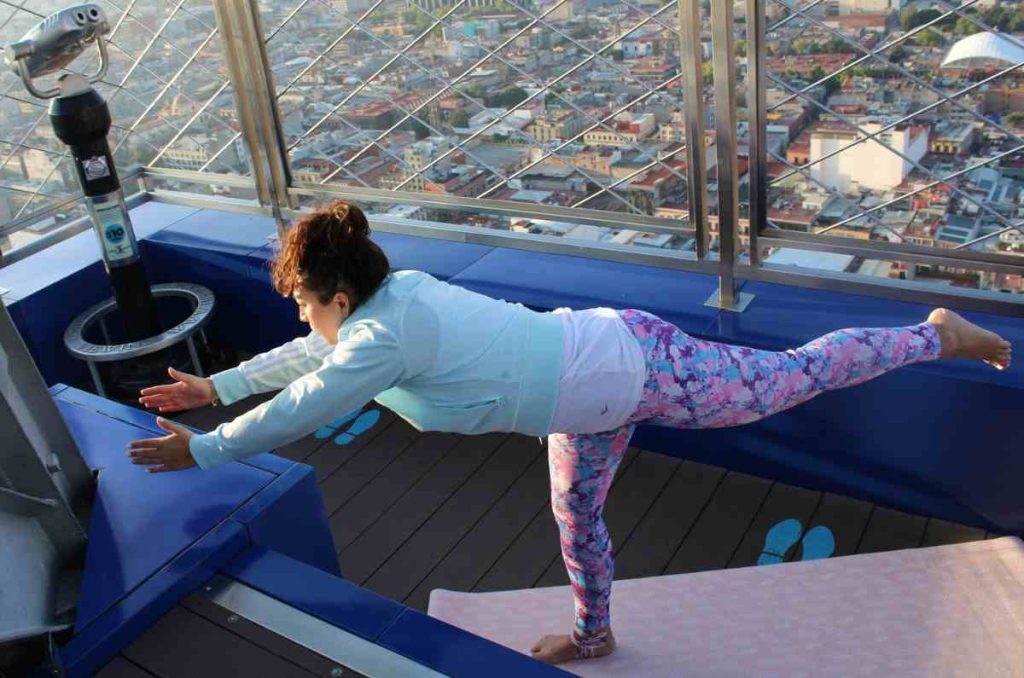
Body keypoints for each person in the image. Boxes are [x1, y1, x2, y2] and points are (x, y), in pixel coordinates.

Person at [129, 200, 1012, 665]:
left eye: (304, 302)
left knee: (789, 379)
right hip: (583, 401)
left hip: (633, 365)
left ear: (340, 298)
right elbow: (308, 358)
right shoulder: (385, 303)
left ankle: (936, 333)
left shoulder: (380, 336)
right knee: (576, 518)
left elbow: (306, 402)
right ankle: (596, 636)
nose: (301, 316)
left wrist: (206, 445)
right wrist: (216, 385)